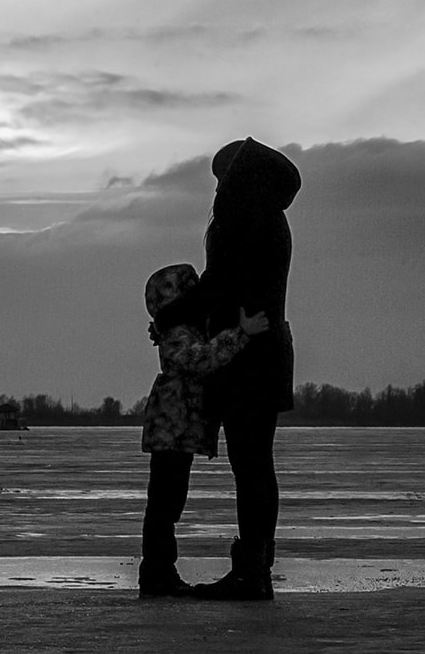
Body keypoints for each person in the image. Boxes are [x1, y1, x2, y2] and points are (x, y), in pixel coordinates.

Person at [153, 137, 300, 600]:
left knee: (250, 463)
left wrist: (170, 317)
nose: (217, 191)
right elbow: (224, 287)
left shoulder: (246, 222)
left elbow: (218, 286)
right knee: (255, 462)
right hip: (265, 351)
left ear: (240, 182)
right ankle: (255, 566)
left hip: (249, 359)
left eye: (222, 181)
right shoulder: (268, 221)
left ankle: (251, 572)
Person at [138, 263, 269, 597]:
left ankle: (159, 570)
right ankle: (156, 572)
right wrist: (241, 333)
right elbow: (201, 359)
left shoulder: (186, 328)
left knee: (169, 502)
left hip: (178, 432)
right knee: (164, 503)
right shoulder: (177, 333)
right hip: (171, 432)